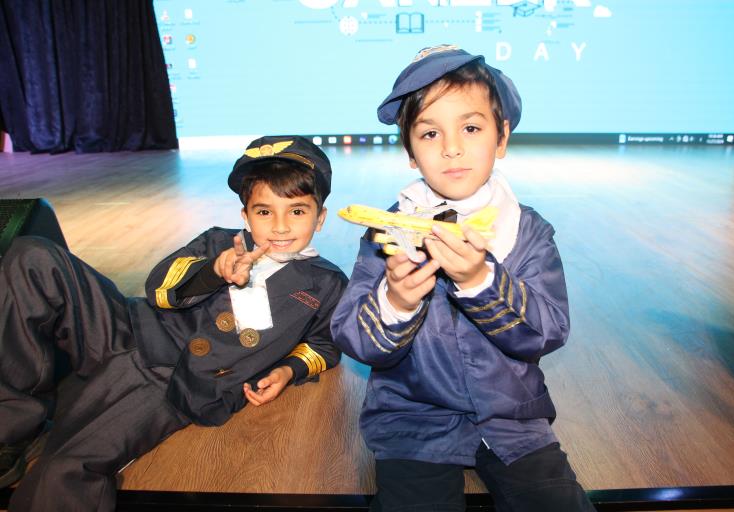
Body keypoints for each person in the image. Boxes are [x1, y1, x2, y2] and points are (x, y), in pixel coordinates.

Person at [0, 135, 347, 511]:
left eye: (297, 211)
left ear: (320, 217)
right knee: (32, 256)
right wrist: (213, 272)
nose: (280, 227)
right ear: (246, 215)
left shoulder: (327, 284)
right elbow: (159, 289)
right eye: (264, 212)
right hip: (126, 328)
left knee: (66, 469)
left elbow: (324, 344)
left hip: (175, 382)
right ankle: (11, 432)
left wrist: (288, 370)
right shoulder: (218, 242)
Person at [331, 44, 595, 511]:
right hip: (413, 419)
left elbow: (548, 331)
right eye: (430, 133)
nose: (451, 147)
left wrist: (480, 281)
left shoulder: (527, 231)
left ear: (502, 137)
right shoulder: (387, 231)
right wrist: (396, 301)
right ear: (410, 152)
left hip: (513, 417)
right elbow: (354, 338)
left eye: (471, 128)